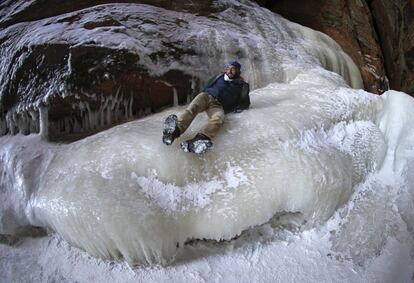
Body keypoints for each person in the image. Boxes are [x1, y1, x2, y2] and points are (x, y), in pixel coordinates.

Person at [162, 60, 250, 154]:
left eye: (233, 69)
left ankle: (200, 138)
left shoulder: (243, 85)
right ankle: (175, 131)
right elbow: (207, 84)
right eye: (228, 68)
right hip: (206, 96)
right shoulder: (219, 76)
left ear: (238, 71)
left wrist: (234, 109)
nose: (229, 71)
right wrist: (203, 92)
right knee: (192, 108)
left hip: (218, 105)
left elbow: (245, 102)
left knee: (218, 118)